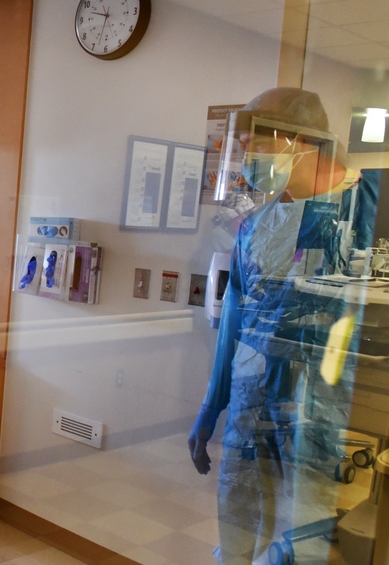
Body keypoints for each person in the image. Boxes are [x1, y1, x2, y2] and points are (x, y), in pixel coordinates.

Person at [187, 87, 381, 564]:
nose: (248, 156)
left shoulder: (369, 208)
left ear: (302, 141)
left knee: (309, 537)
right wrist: (212, 405)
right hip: (251, 406)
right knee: (238, 530)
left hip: (328, 411)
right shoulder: (255, 226)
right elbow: (235, 316)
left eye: (258, 142)